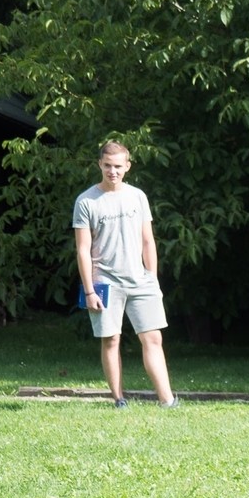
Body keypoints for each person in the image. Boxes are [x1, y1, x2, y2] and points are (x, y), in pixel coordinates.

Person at [72, 141, 178, 408]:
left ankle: (167, 400)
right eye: (108, 165)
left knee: (153, 338)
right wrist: (89, 290)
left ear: (127, 166)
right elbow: (83, 250)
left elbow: (148, 241)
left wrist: (152, 278)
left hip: (141, 281)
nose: (113, 171)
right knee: (111, 340)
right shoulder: (86, 201)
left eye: (118, 166)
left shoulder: (137, 196)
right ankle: (119, 399)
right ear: (99, 164)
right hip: (104, 282)